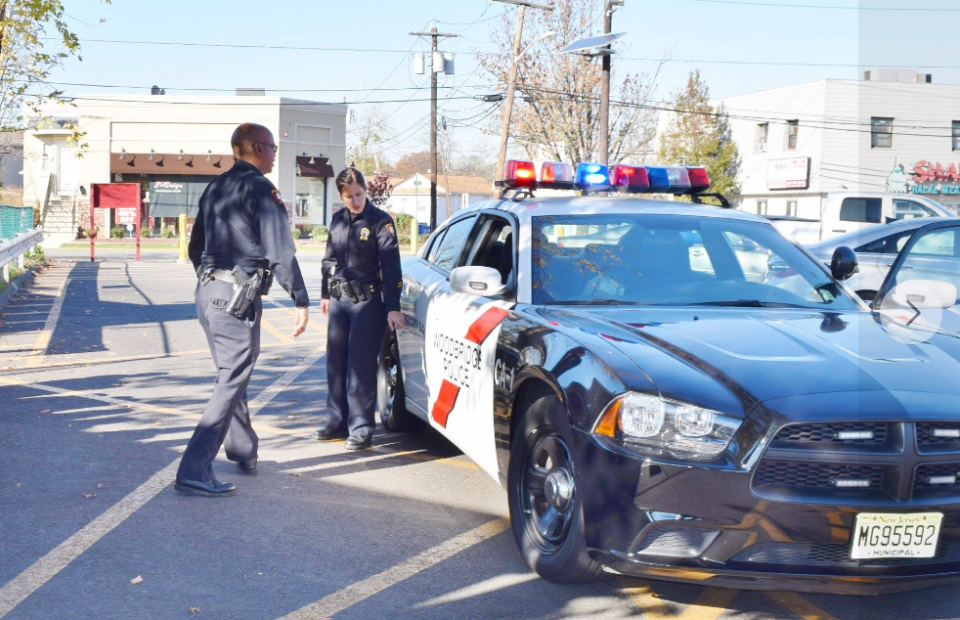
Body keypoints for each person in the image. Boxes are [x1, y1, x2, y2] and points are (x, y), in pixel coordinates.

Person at [176, 123, 310, 497]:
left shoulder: (216, 186)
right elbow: (280, 249)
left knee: (231, 374)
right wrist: (300, 298)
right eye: (272, 149)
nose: (273, 156)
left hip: (209, 292)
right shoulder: (261, 189)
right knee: (232, 377)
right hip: (236, 298)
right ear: (254, 148)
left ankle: (242, 449)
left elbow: (194, 246)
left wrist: (214, 281)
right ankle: (193, 469)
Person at [314, 167, 405, 450]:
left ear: (366, 191)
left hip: (368, 302)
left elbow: (392, 267)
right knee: (335, 363)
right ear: (341, 196)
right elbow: (329, 259)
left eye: (359, 194)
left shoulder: (380, 221)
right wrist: (325, 293)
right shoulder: (338, 220)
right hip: (340, 301)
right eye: (349, 196)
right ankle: (337, 422)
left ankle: (362, 429)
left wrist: (392, 307)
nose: (355, 201)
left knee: (360, 367)